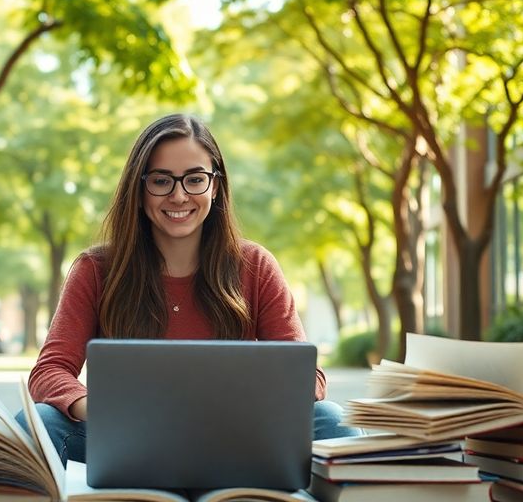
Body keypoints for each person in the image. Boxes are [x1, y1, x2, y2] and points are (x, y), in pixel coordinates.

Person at [20, 113, 360, 465]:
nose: (179, 195)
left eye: (195, 179)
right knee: (37, 424)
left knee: (334, 421)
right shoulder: (96, 269)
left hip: (238, 437)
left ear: (215, 186)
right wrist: (101, 409)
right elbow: (49, 371)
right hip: (128, 439)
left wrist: (250, 408)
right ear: (138, 189)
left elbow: (308, 376)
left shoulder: (255, 264)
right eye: (161, 180)